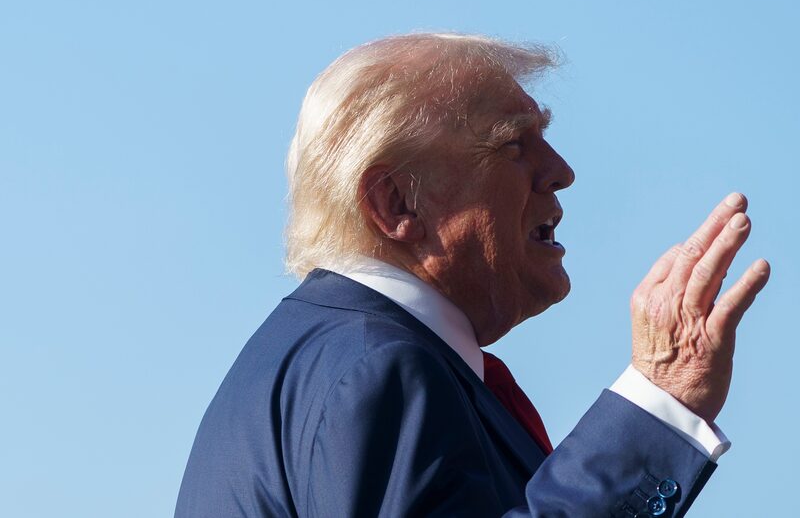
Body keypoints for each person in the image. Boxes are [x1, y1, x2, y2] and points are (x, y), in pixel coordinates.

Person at [175, 33, 770, 517]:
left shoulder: (319, 357)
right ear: (396, 203)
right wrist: (659, 401)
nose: (560, 171)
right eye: (513, 143)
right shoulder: (376, 370)